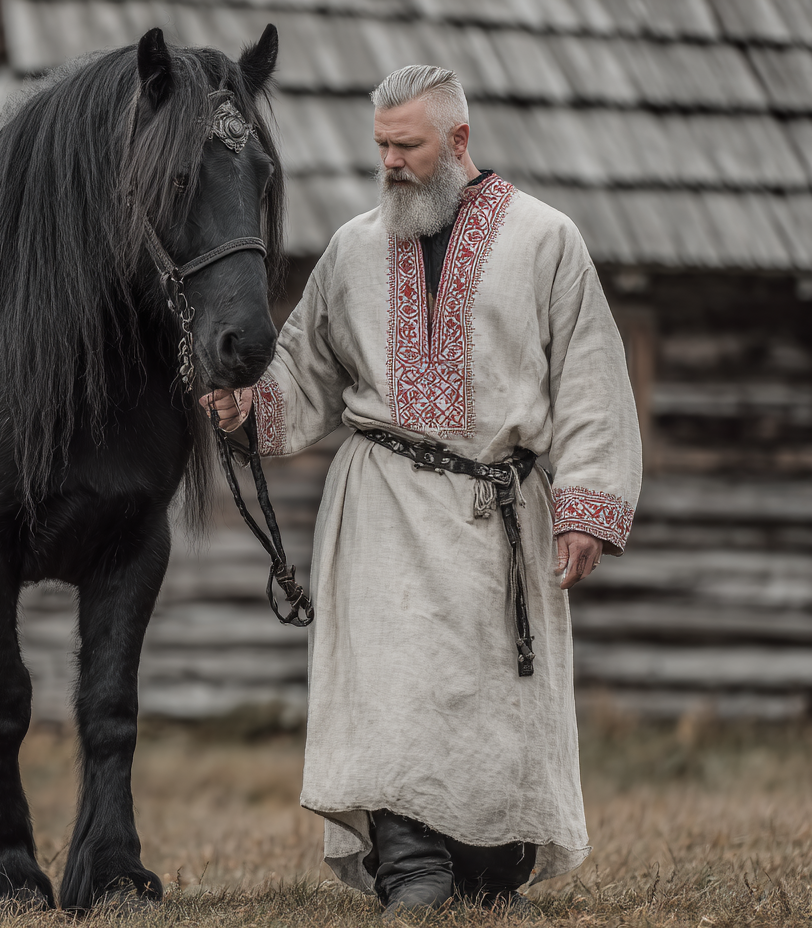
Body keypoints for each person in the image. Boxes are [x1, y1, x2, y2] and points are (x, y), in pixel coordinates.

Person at [204, 65, 642, 919]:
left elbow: (591, 381)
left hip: (497, 513)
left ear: (460, 141)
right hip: (383, 507)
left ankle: (486, 865)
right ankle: (410, 868)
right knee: (391, 688)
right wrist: (249, 406)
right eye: (382, 147)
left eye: (407, 146)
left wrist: (586, 507)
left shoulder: (546, 241)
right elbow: (307, 371)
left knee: (490, 705)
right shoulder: (354, 249)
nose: (391, 163)